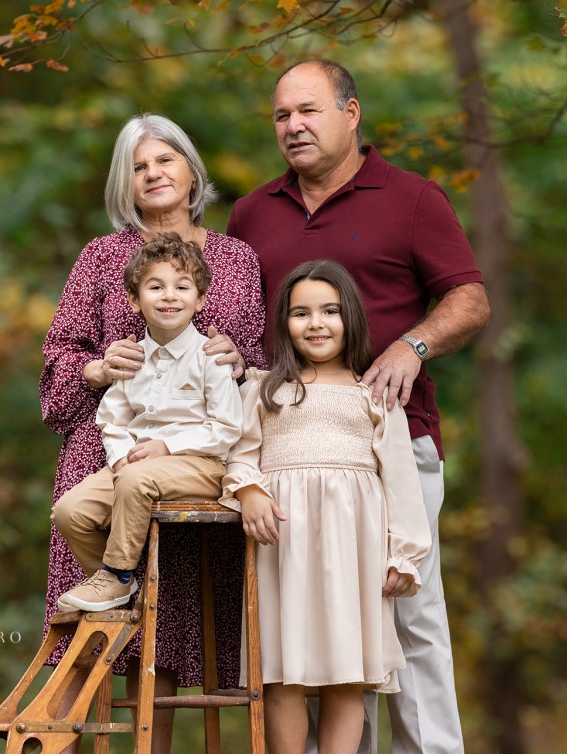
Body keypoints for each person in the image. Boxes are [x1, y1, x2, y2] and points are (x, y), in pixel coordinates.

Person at [227, 60, 491, 754]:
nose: (293, 127)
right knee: (316, 626)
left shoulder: (411, 199)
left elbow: (470, 300)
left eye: (309, 111)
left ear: (351, 113)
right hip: (287, 458)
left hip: (392, 444)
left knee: (408, 616)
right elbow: (236, 324)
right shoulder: (251, 214)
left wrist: (413, 345)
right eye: (282, 115)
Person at [39, 113, 265, 752]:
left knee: (166, 635)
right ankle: (60, 740)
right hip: (107, 450)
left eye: (165, 159)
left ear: (192, 170)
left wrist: (239, 358)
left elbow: (259, 359)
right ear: (126, 186)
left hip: (198, 459)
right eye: (139, 167)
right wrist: (94, 367)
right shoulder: (103, 257)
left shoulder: (237, 259)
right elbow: (57, 355)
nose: (154, 173)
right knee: (89, 636)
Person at [220, 259, 431, 754]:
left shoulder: (374, 396)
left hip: (352, 550)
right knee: (283, 669)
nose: (315, 324)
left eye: (329, 311)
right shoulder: (265, 389)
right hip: (282, 547)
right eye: (301, 314)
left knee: (347, 672)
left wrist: (405, 555)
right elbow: (236, 454)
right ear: (284, 324)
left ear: (350, 318)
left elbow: (401, 481)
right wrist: (249, 490)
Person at [54, 233, 242, 611]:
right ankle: (117, 587)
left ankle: (117, 574)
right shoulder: (132, 357)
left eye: (182, 286)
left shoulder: (210, 357)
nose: (169, 296)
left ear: (200, 299)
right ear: (135, 301)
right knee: (69, 511)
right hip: (137, 466)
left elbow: (227, 428)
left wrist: (166, 447)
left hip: (201, 464)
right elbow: (111, 418)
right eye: (156, 287)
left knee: (139, 480)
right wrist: (121, 455)